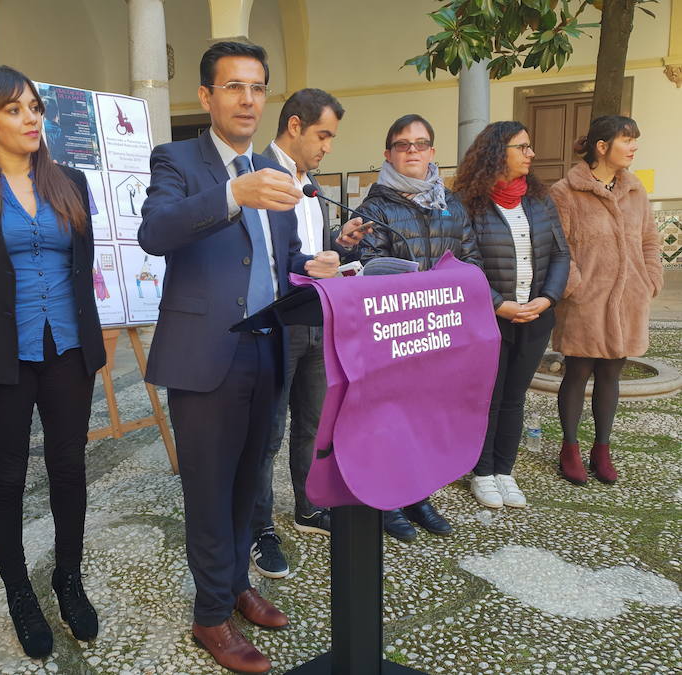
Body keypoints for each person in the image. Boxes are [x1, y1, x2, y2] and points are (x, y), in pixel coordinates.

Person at [138, 42, 340, 673]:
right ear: (207, 98)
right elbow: (155, 232)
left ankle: (233, 584)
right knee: (208, 489)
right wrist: (233, 193)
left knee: (250, 479)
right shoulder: (178, 160)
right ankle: (209, 615)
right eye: (233, 87)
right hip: (205, 356)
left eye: (257, 87)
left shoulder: (270, 171)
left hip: (267, 348)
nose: (248, 99)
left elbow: (278, 264)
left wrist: (316, 267)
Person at [0, 65, 107, 659]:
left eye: (34, 107)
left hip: (68, 350)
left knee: (69, 468)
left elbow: (81, 268)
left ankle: (68, 578)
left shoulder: (70, 181)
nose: (32, 118)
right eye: (15, 109)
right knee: (6, 477)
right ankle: (19, 593)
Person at [251, 87, 367, 578]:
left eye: (332, 138)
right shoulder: (254, 176)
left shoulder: (311, 186)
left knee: (314, 422)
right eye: (322, 134)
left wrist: (336, 245)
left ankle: (307, 505)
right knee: (267, 434)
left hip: (318, 319)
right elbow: (261, 256)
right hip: (275, 323)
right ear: (294, 126)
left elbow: (303, 252)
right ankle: (259, 530)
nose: (326, 146)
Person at [355, 113, 480, 541]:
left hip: (440, 331)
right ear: (388, 153)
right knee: (391, 419)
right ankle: (387, 500)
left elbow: (472, 259)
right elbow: (366, 267)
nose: (412, 151)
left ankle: (419, 494)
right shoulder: (374, 207)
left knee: (428, 418)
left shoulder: (452, 203)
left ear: (433, 151)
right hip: (394, 334)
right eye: (403, 144)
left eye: (420, 143)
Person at [454, 121, 569, 509]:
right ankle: (482, 473)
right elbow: (463, 264)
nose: (531, 154)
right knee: (489, 396)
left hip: (535, 316)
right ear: (496, 153)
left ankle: (505, 469)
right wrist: (498, 303)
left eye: (530, 146)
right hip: (490, 318)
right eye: (522, 147)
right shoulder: (470, 202)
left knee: (515, 397)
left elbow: (560, 254)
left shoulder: (539, 200)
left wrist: (548, 299)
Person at [549, 115, 663, 485]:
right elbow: (559, 248)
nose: (633, 147)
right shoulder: (566, 192)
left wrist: (650, 280)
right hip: (585, 301)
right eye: (626, 140)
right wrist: (576, 287)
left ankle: (602, 448)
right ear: (602, 147)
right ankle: (569, 447)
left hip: (628, 299)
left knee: (612, 373)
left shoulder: (635, 189)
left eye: (635, 140)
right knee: (578, 372)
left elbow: (649, 239)